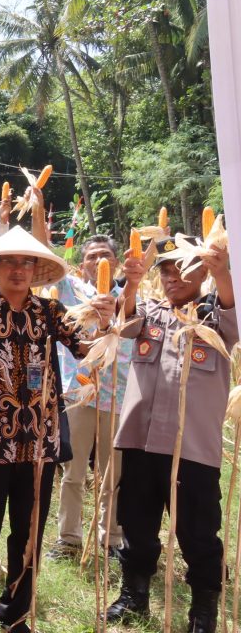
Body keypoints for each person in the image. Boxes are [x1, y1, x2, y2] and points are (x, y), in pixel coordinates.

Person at [0, 226, 114, 633]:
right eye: (9, 262)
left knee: (28, 535)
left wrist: (106, 323)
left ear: (35, 270)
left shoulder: (50, 312)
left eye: (26, 263)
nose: (18, 270)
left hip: (39, 444)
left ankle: (15, 616)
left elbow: (87, 351)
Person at [105, 235, 235, 633]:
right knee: (137, 522)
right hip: (141, 442)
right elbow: (123, 324)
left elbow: (235, 316)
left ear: (201, 270)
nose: (172, 278)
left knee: (198, 532)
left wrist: (223, 272)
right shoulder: (150, 312)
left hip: (192, 447)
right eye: (165, 272)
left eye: (181, 269)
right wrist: (130, 282)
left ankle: (203, 610)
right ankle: (134, 596)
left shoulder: (215, 317)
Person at [50, 235, 131, 560]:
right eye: (92, 256)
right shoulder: (71, 291)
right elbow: (45, 251)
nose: (99, 261)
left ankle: (111, 538)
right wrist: (38, 212)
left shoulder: (130, 297)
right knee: (74, 472)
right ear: (82, 264)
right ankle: (69, 539)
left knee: (114, 475)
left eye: (106, 255)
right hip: (79, 393)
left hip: (118, 395)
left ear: (117, 262)